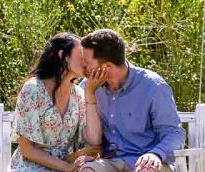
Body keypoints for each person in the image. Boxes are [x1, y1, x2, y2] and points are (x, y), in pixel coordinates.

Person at [80, 29, 185, 172]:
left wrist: (156, 153)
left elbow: (174, 133)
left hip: (146, 162)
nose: (83, 67)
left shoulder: (153, 86)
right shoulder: (88, 87)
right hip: (109, 162)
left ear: (107, 67)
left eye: (86, 62)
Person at [10, 33, 105, 171]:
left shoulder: (78, 94)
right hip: (32, 166)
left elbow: (94, 141)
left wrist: (90, 93)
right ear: (63, 56)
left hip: (68, 165)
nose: (86, 61)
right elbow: (27, 149)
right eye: (81, 55)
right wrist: (66, 167)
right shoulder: (33, 89)